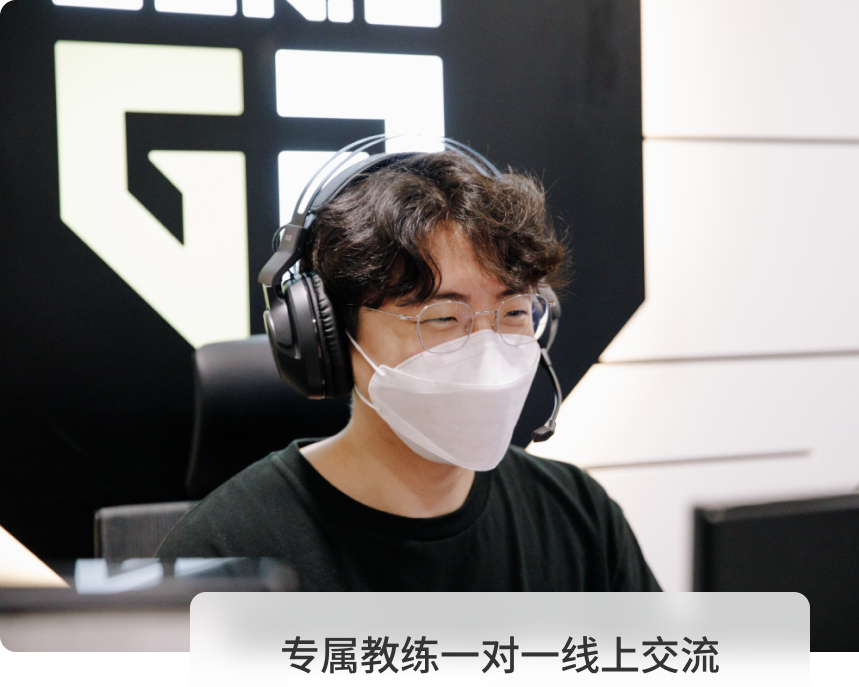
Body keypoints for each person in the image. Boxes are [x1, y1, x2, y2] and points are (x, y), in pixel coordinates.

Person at [157, 146, 660, 592]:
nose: (487, 353)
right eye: (442, 317)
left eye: (514, 313)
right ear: (330, 337)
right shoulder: (221, 554)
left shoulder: (579, 518)